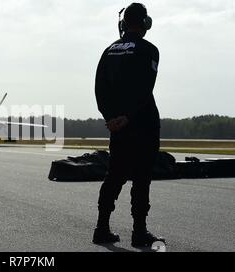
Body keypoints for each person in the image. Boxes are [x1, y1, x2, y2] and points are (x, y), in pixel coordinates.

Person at [93, 3, 165, 247]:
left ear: (123, 24)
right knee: (142, 178)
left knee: (114, 175)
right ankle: (139, 231)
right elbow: (145, 88)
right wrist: (128, 116)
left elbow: (99, 88)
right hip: (142, 123)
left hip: (118, 127)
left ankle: (101, 228)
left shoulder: (109, 51)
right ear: (145, 23)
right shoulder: (149, 50)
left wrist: (110, 117)